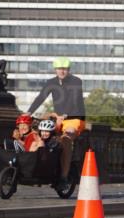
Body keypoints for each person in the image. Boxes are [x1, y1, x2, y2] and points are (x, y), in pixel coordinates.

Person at [26, 58, 85, 192]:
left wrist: (65, 115)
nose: (62, 71)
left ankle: (64, 177)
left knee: (66, 138)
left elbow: (75, 100)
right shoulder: (51, 82)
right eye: (59, 69)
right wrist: (28, 113)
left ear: (69, 70)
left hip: (74, 118)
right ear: (55, 70)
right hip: (58, 117)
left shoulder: (76, 81)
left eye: (65, 69)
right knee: (38, 134)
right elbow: (41, 97)